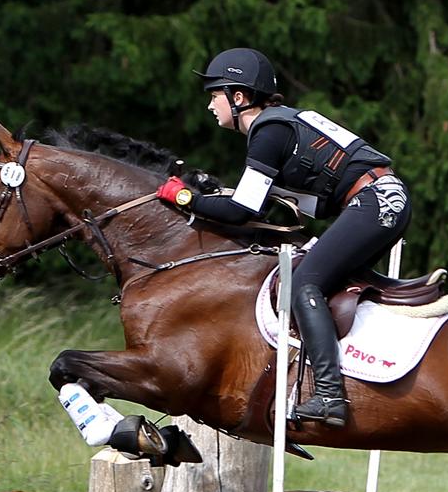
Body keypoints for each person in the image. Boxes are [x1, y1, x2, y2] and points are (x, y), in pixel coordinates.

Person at [155, 48, 411, 427]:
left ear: (238, 98)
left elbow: (244, 211)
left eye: (214, 95)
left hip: (375, 199)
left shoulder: (268, 131)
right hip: (379, 197)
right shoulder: (279, 125)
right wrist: (216, 198)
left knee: (305, 282)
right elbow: (290, 206)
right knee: (320, 278)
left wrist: (184, 197)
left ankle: (329, 396)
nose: (210, 106)